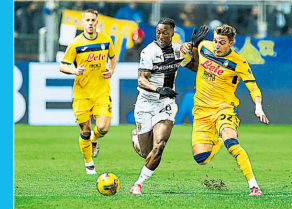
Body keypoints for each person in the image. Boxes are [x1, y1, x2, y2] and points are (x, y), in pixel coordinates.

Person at [180, 24, 269, 196]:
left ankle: (253, 186)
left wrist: (258, 106)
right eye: (215, 41)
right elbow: (188, 59)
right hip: (201, 111)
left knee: (231, 141)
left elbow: (254, 87)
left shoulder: (239, 63)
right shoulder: (204, 47)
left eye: (222, 42)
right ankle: (219, 140)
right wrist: (186, 46)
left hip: (224, 109)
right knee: (201, 159)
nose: (217, 46)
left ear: (231, 43)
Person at [129, 18, 196, 195]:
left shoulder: (177, 49)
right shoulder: (149, 51)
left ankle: (138, 184)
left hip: (165, 104)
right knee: (146, 153)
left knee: (159, 147)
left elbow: (195, 67)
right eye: (158, 31)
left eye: (164, 32)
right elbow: (141, 80)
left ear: (172, 33)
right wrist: (159, 89)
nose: (160, 35)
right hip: (145, 103)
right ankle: (136, 138)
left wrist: (194, 48)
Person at [59, 9, 117, 175]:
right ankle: (89, 164)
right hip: (82, 94)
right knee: (84, 130)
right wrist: (74, 71)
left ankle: (94, 139)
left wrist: (111, 70)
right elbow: (62, 65)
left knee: (103, 127)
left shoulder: (105, 40)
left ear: (97, 22)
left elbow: (112, 57)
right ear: (83, 23)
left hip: (101, 92)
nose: (91, 23)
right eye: (88, 20)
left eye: (93, 20)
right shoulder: (76, 43)